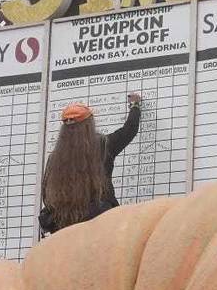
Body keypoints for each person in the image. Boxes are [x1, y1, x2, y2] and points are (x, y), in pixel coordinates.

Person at [39, 93, 142, 235]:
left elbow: (46, 195)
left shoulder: (54, 159)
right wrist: (135, 106)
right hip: (100, 226)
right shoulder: (103, 146)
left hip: (64, 229)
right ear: (89, 124)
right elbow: (129, 130)